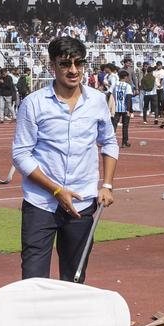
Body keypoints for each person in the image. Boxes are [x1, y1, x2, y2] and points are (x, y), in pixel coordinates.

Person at [11, 36, 118, 283]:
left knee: (74, 279)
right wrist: (56, 190)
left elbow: (109, 142)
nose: (73, 70)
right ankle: (35, 322)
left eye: (79, 63)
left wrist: (108, 185)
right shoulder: (33, 104)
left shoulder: (97, 101)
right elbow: (20, 155)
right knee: (33, 280)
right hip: (41, 205)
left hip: (82, 204)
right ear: (52, 66)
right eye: (65, 64)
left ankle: (68, 323)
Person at [111, 68, 134, 148]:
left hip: (116, 108)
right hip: (124, 108)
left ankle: (111, 141)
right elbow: (128, 98)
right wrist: (129, 110)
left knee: (113, 126)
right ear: (125, 77)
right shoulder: (128, 86)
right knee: (125, 126)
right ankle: (124, 142)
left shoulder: (114, 85)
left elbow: (110, 95)